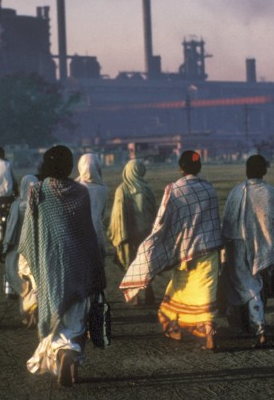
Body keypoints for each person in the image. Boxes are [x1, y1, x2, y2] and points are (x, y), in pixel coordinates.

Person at [18, 145, 106, 387]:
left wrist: (28, 267)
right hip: (78, 265)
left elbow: (28, 234)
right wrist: (96, 267)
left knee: (56, 317)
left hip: (49, 268)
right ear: (70, 166)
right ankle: (72, 358)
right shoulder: (81, 192)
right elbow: (88, 234)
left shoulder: (38, 191)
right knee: (78, 318)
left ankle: (61, 352)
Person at [119, 150, 224, 351]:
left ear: (180, 168)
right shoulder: (209, 189)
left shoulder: (174, 190)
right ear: (199, 167)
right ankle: (209, 333)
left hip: (185, 255)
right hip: (209, 252)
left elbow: (161, 222)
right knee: (206, 297)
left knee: (177, 295)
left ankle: (174, 328)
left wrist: (154, 246)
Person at [220, 154, 274, 348]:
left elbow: (227, 222)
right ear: (264, 171)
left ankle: (254, 326)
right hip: (265, 247)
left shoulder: (236, 192)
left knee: (248, 286)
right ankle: (256, 327)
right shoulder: (272, 193)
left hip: (237, 246)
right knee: (257, 285)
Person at [108, 158, 158, 305]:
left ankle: (135, 296)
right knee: (146, 263)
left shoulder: (121, 190)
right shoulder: (147, 189)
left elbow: (117, 217)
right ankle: (148, 291)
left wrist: (116, 233)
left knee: (130, 265)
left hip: (128, 235)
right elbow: (154, 211)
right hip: (146, 233)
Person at [3, 173, 39, 327]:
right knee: (37, 284)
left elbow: (11, 229)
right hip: (37, 251)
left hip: (20, 252)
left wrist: (6, 247)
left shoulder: (17, 205)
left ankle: (25, 313)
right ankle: (36, 313)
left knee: (23, 285)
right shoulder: (41, 204)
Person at [74, 153, 108, 257]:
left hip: (76, 236)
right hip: (96, 234)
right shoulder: (102, 189)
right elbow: (100, 215)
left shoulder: (73, 187)